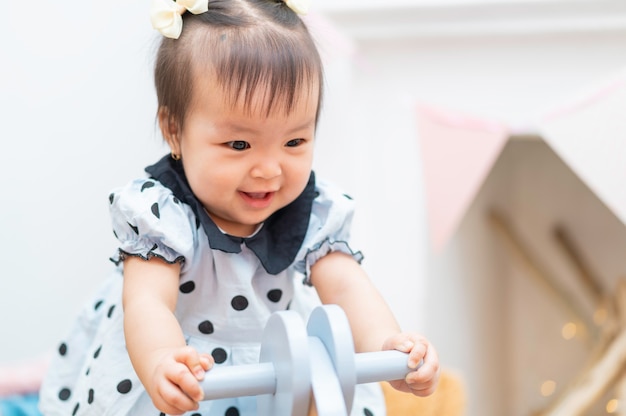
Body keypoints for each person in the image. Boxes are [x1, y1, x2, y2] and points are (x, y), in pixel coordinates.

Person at [39, 0, 440, 414]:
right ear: (173, 131)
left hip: (278, 363)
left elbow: (346, 286)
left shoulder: (314, 212)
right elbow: (147, 302)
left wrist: (386, 344)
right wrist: (161, 360)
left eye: (294, 142)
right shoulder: (161, 214)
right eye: (239, 145)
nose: (268, 170)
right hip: (186, 363)